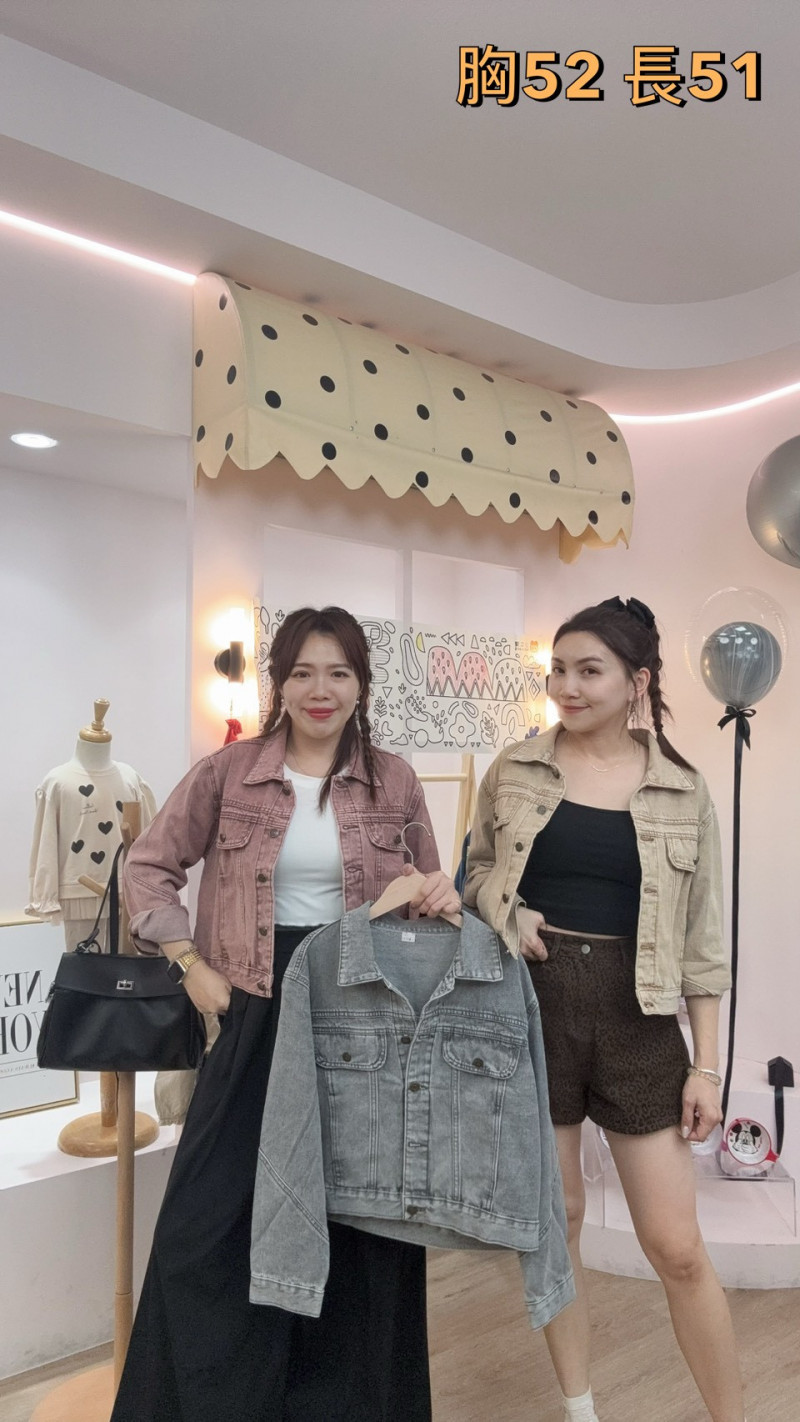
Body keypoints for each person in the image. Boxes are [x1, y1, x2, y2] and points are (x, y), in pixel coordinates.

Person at [111, 605, 459, 1422]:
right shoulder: (228, 774)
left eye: (338, 672)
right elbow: (147, 869)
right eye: (302, 672)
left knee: (361, 1226)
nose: (319, 689)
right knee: (210, 1221)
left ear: (361, 684)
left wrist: (436, 896)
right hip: (254, 1013)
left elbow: (428, 893)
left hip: (362, 1023)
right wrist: (190, 966)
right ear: (280, 684)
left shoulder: (395, 782)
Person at [464, 596, 746, 1422]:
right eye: (558, 670)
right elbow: (474, 871)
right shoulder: (515, 769)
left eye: (589, 671)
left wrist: (706, 1067)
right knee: (560, 1226)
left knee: (677, 1248)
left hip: (639, 1018)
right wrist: (508, 911)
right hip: (533, 1009)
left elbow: (702, 944)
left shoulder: (684, 791)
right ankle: (580, 1409)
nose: (567, 686)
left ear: (637, 682)